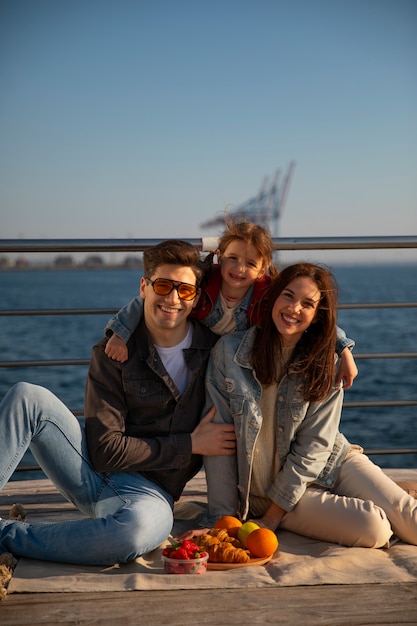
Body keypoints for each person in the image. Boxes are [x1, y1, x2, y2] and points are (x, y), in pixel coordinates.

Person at [0, 240, 236, 566]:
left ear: (195, 298)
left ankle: (8, 535)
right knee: (27, 396)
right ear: (144, 287)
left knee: (135, 533)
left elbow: (271, 311)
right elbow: (105, 450)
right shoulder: (113, 350)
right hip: (89, 472)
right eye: (163, 286)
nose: (172, 299)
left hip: (150, 494)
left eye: (184, 290)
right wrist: (191, 444)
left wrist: (336, 343)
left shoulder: (215, 353)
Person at [199, 262, 417, 548]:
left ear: (316, 316)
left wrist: (273, 520)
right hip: (273, 491)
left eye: (307, 304)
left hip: (333, 461)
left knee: (409, 517)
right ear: (273, 297)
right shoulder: (229, 352)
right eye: (288, 296)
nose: (294, 309)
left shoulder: (327, 360)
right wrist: (226, 519)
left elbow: (315, 445)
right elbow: (220, 442)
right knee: (373, 528)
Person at [104, 220, 358, 388]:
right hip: (203, 357)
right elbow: (145, 299)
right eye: (232, 258)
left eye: (250, 264)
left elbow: (310, 316)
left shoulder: (268, 293)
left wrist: (343, 350)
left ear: (263, 268)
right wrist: (119, 333)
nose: (239, 269)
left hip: (243, 360)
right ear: (219, 257)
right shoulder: (202, 282)